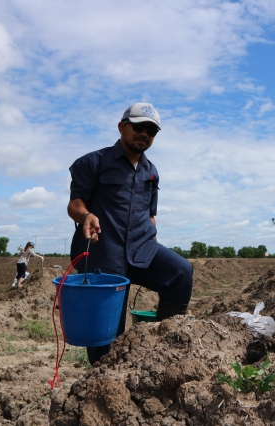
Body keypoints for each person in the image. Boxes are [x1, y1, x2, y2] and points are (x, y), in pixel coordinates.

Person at [68, 102, 193, 365]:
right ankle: (103, 374)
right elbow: (75, 204)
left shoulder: (151, 172)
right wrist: (86, 216)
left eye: (151, 130)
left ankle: (164, 349)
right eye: (138, 127)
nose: (144, 134)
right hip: (105, 252)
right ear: (122, 127)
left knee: (180, 271)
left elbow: (150, 214)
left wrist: (153, 239)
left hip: (142, 249)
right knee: (107, 333)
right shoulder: (93, 162)